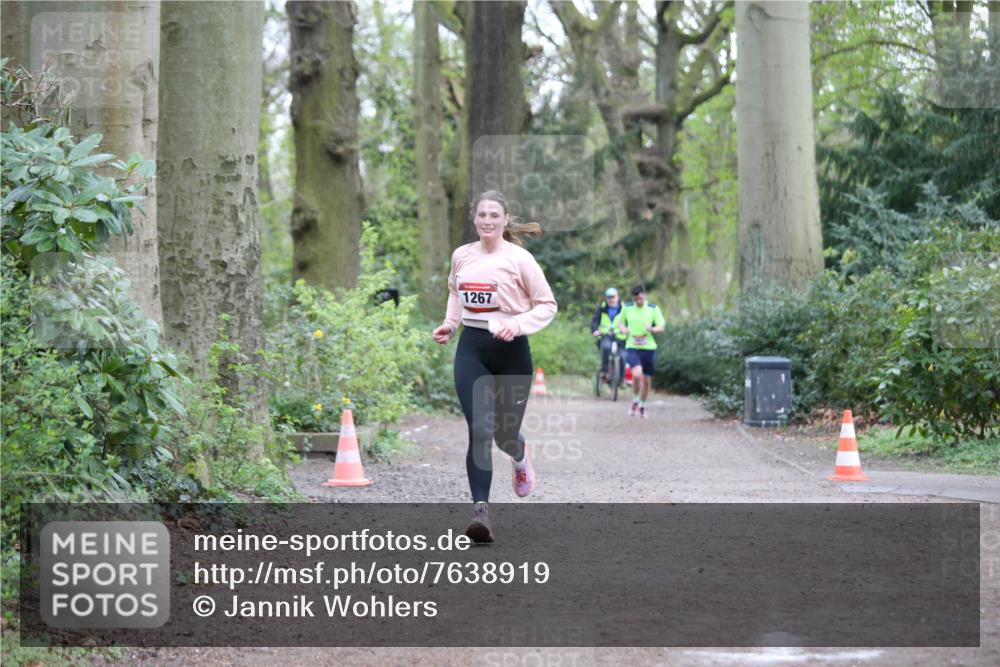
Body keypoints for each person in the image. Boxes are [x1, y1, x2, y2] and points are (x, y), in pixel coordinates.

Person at [432, 190, 558, 543]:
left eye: (494, 215)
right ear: (475, 219)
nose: (487, 220)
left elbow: (547, 304)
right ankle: (480, 514)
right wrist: (450, 324)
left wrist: (516, 325)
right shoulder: (462, 256)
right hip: (472, 348)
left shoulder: (520, 259)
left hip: (512, 352)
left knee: (504, 435)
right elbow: (455, 293)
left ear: (504, 220)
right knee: (480, 430)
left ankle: (519, 455)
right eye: (482, 214)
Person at [616, 284, 665, 419]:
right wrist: (624, 329)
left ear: (644, 295)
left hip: (649, 348)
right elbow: (619, 322)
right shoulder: (627, 308)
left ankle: (642, 405)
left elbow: (661, 327)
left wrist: (652, 329)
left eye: (640, 299)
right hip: (632, 346)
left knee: (647, 381)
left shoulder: (653, 309)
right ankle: (635, 399)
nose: (638, 301)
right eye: (636, 299)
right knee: (637, 375)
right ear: (633, 298)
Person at [591, 287, 627, 385]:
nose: (611, 299)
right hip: (605, 335)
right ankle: (605, 371)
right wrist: (595, 330)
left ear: (617, 297)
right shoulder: (602, 308)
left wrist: (627, 330)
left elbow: (629, 322)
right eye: (608, 297)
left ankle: (622, 379)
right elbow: (595, 320)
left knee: (623, 357)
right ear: (606, 298)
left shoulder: (624, 308)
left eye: (613, 297)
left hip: (620, 337)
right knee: (606, 347)